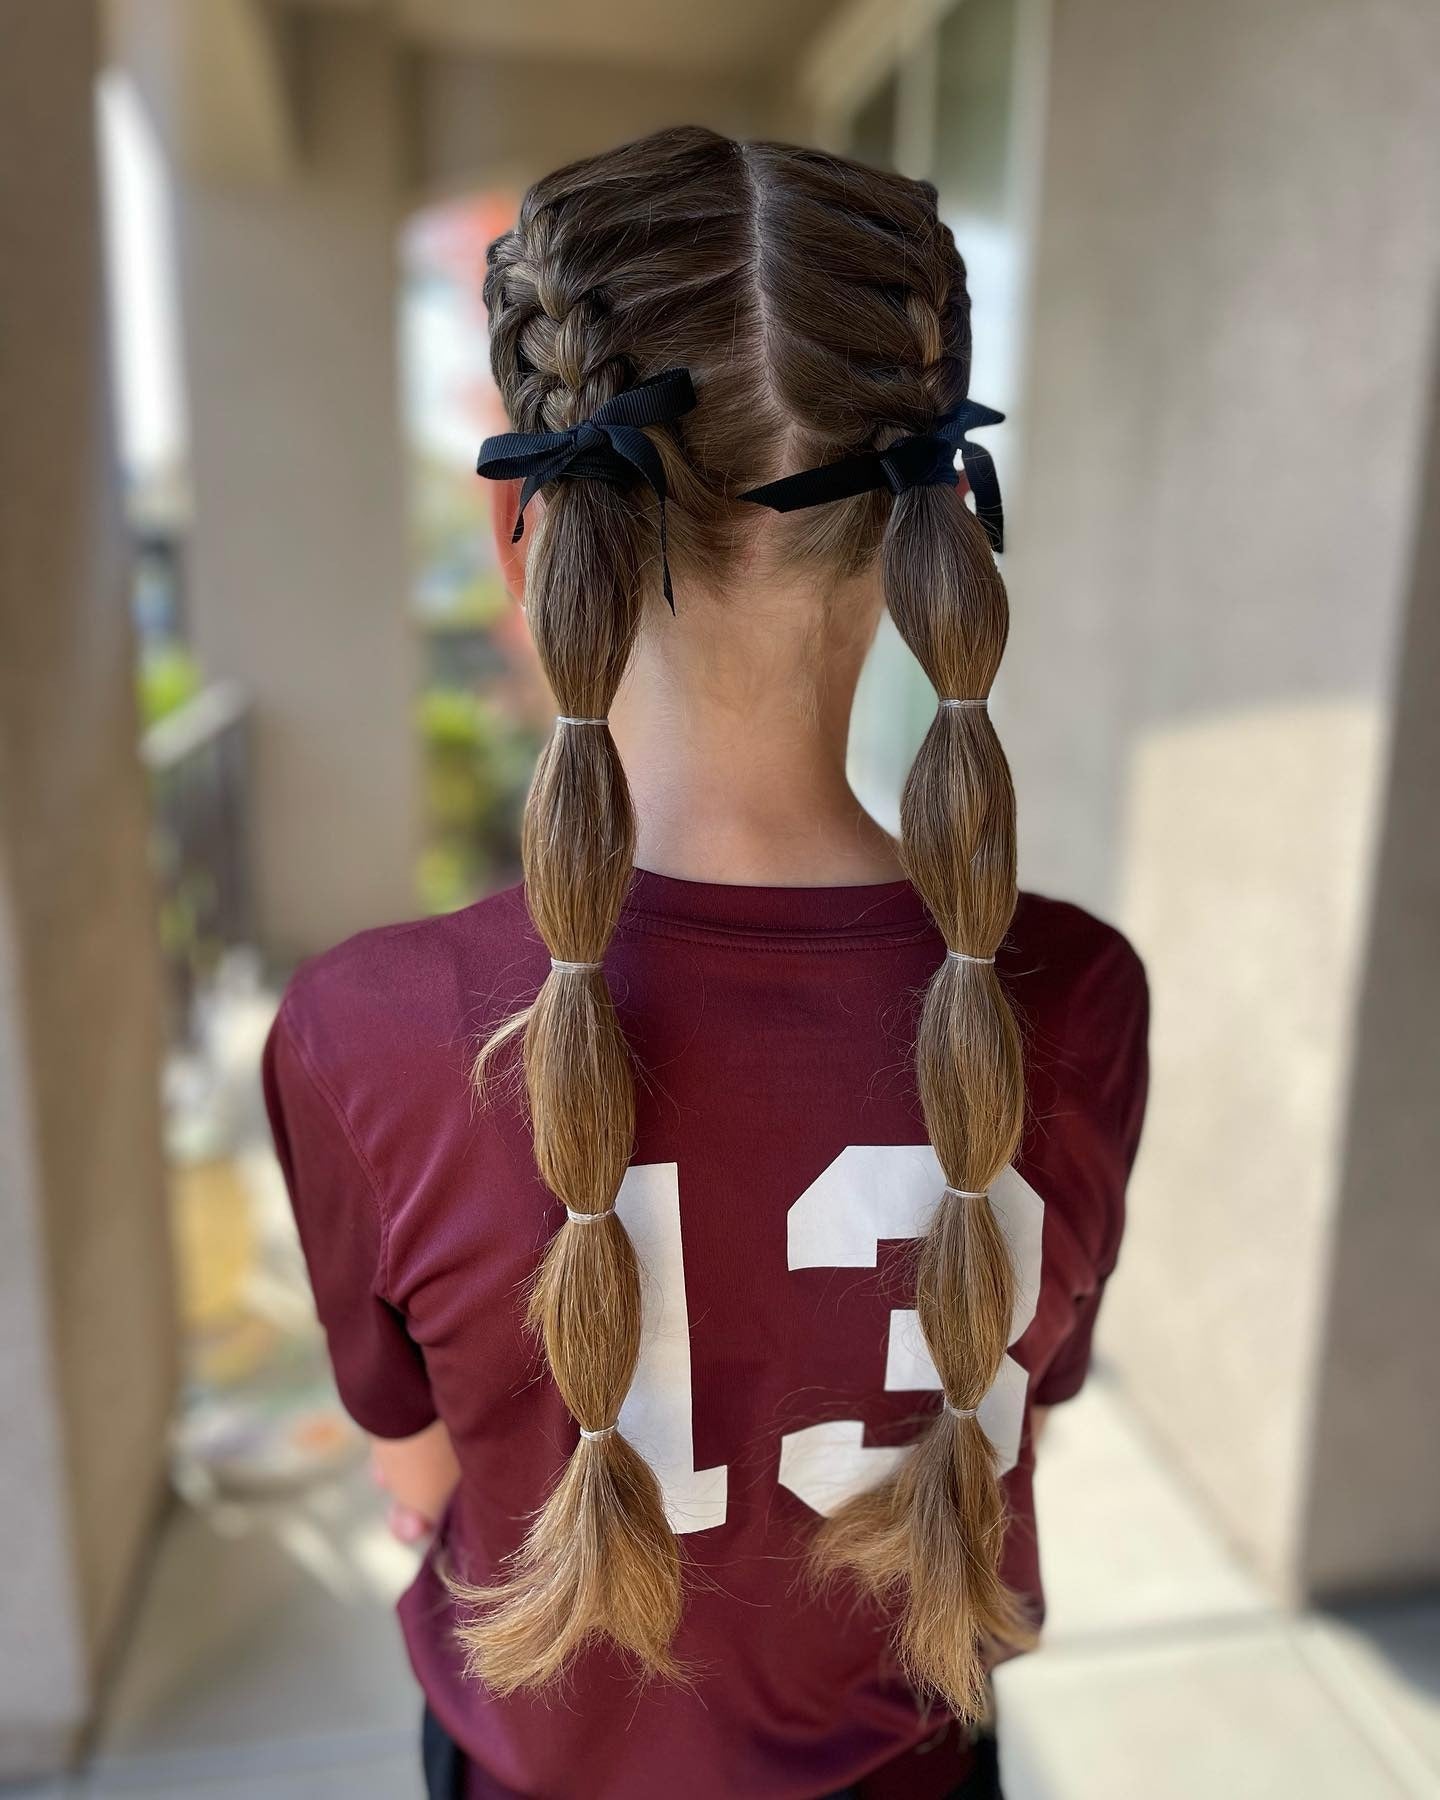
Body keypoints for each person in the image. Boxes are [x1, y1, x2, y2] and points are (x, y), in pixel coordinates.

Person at [263, 124, 1148, 1800]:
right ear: (934, 546)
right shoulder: (1082, 998)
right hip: (909, 1764)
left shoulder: (363, 1032)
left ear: (523, 540)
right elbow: (1029, 1390)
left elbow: (425, 1477)